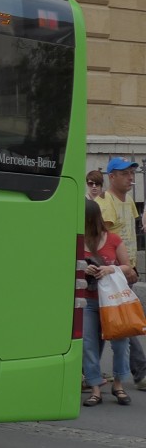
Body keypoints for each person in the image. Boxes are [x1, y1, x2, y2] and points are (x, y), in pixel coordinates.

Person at [97, 157, 146, 389]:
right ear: (111, 176)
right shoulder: (105, 203)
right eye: (125, 173)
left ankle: (90, 373)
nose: (130, 177)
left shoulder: (129, 202)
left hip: (125, 270)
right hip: (113, 273)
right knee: (125, 322)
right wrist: (119, 269)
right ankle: (141, 372)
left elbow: (130, 235)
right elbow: (103, 242)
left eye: (132, 173)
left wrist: (132, 266)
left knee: (108, 324)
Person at [82, 197, 137, 406]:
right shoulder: (78, 240)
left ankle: (119, 384)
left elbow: (128, 267)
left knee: (121, 343)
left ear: (91, 219)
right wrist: (83, 269)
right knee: (88, 344)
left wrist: (109, 268)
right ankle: (95, 387)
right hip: (88, 301)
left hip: (112, 301)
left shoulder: (113, 239)